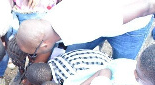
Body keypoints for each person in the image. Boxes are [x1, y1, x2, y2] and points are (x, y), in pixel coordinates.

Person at [15, 0, 155, 55]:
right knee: (74, 53)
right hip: (105, 21)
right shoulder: (45, 21)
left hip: (130, 27)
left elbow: (146, 6)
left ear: (45, 45)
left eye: (34, 53)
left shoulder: (86, 23)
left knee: (122, 64)